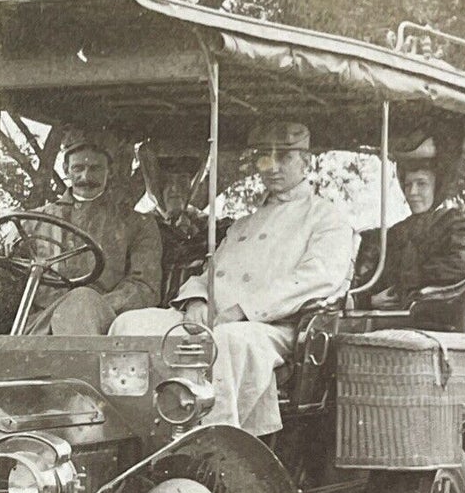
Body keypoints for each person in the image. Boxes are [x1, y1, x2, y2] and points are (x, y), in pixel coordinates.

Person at [109, 120, 354, 437]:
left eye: (285, 157)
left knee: (227, 343)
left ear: (306, 162)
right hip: (214, 316)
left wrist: (244, 309)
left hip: (271, 326)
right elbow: (210, 271)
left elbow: (318, 278)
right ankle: (131, 434)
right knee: (129, 325)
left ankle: (211, 444)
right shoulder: (244, 224)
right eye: (266, 157)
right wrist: (198, 298)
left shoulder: (326, 217)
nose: (273, 166)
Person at [11, 134, 162, 335]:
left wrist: (93, 305)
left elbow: (145, 287)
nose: (86, 177)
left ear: (110, 171)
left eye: (95, 169)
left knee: (82, 302)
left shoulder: (136, 224)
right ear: (66, 170)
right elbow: (7, 273)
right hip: (40, 327)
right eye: (78, 168)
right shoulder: (31, 222)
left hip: (105, 326)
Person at [355, 137, 465, 326]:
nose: (412, 192)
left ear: (437, 187)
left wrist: (402, 285)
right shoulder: (397, 232)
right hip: (389, 321)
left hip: (432, 324)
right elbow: (372, 280)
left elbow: (458, 266)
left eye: (421, 184)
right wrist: (370, 301)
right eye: (408, 185)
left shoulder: (453, 224)